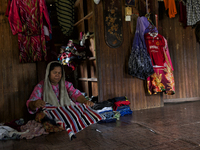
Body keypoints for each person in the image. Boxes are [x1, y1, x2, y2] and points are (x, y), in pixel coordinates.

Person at [27, 61, 94, 114]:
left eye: (59, 73)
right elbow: (31, 104)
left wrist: (85, 101)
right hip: (48, 116)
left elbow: (75, 94)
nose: (57, 75)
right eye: (55, 72)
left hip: (64, 114)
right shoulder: (41, 86)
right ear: (48, 73)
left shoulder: (66, 84)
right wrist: (35, 103)